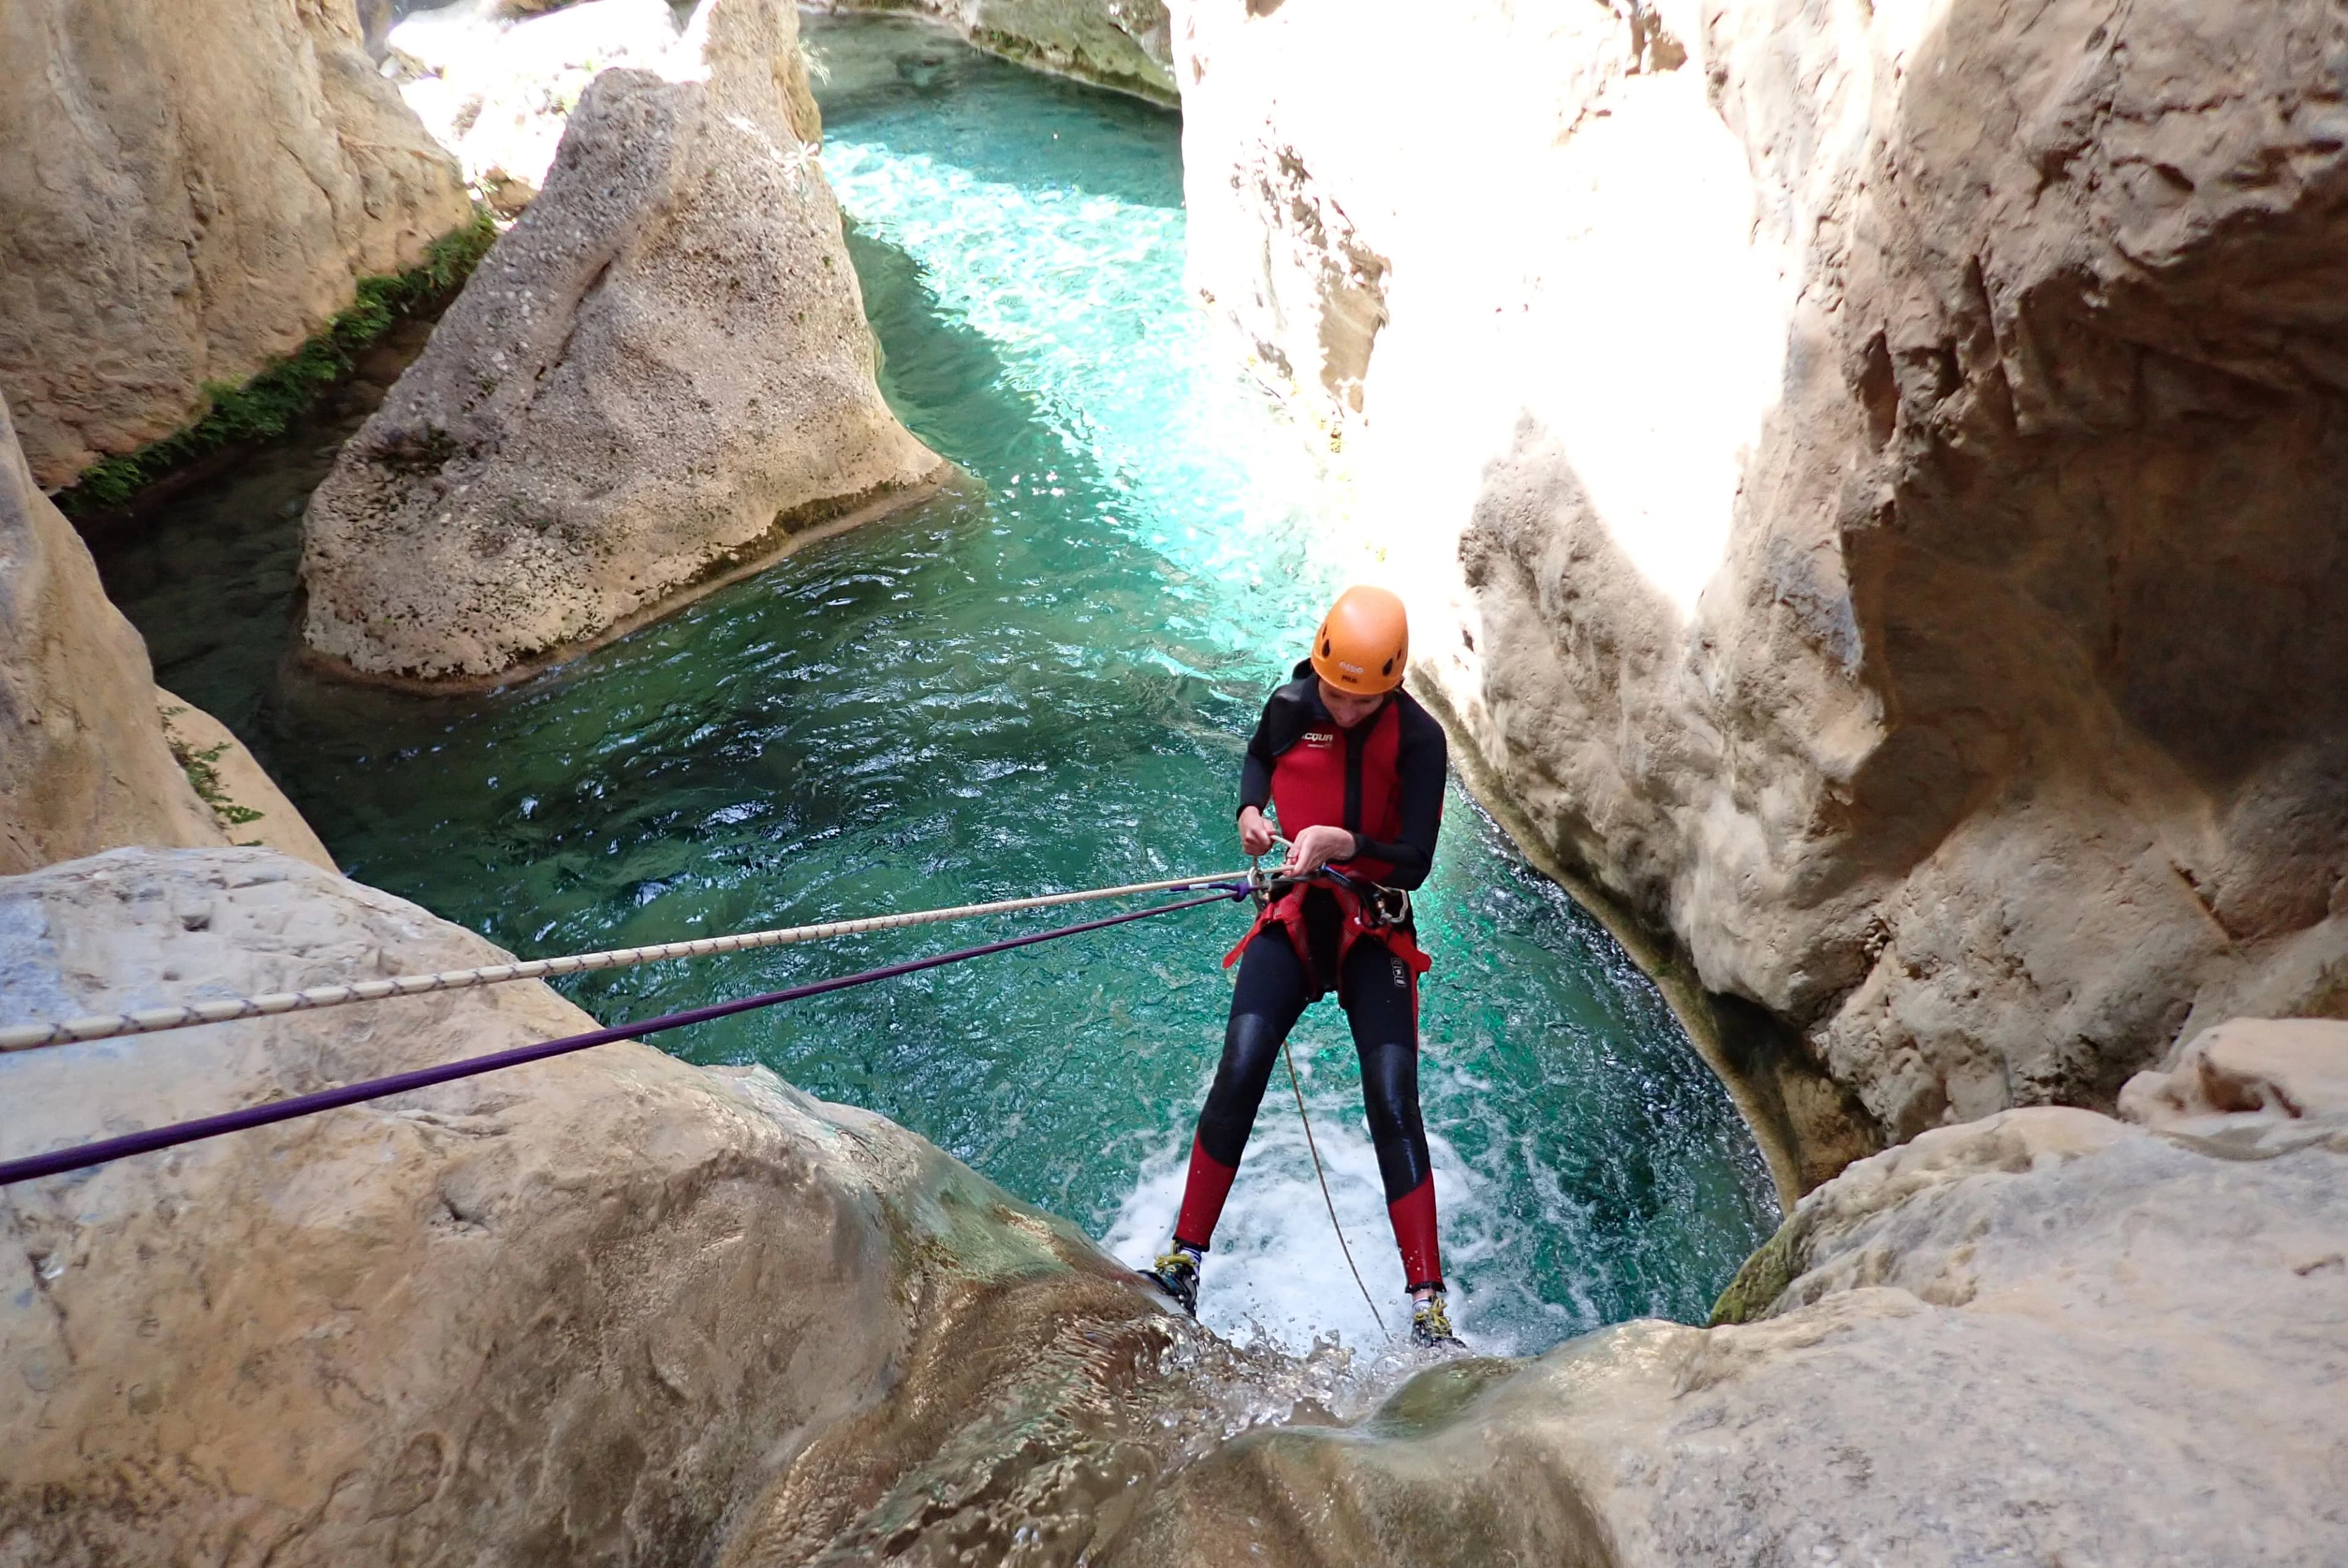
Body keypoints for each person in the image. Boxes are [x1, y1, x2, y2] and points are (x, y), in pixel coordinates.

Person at [1143, 585, 1461, 1347]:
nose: (1345, 709)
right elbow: (1258, 761)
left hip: (1372, 929)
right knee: (1241, 1066)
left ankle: (1427, 1304)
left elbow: (1415, 859)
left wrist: (1346, 844)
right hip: (1291, 913)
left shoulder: (1420, 740)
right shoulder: (1291, 703)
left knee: (1391, 1098)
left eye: (1364, 699)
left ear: (1393, 685)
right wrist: (1251, 815)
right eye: (1335, 692)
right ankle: (1183, 1260)